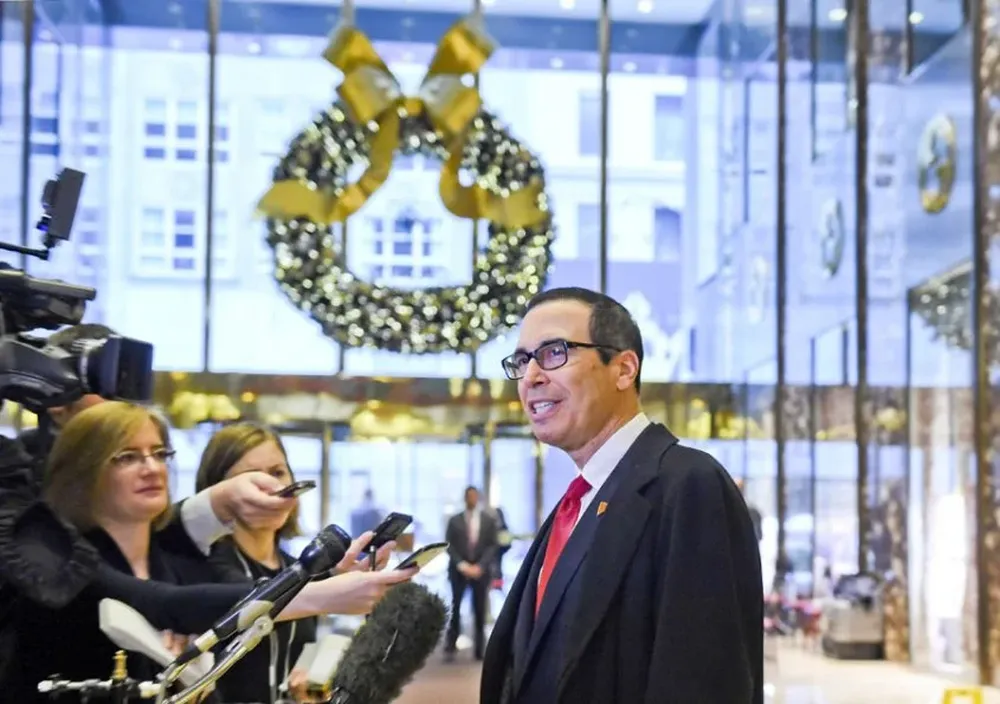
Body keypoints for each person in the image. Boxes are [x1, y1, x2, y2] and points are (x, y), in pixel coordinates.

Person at [5, 402, 416, 702]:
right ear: (83, 471)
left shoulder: (169, 553)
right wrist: (321, 594)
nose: (151, 467)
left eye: (159, 453)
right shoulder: (61, 556)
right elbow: (166, 605)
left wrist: (333, 579)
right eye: (127, 457)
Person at [481, 287, 763, 704]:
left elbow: (704, 680)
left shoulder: (688, 486)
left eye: (554, 352)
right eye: (522, 360)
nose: (531, 377)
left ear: (624, 369)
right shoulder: (579, 502)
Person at [195, 422, 397, 704]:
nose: (272, 488)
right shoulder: (201, 565)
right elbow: (249, 605)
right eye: (251, 477)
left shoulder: (297, 568)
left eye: (278, 473)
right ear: (218, 491)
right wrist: (331, 589)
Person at [444, 485, 498, 661]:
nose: (472, 499)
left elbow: (492, 545)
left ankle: (480, 650)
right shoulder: (454, 520)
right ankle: (451, 646)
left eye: (475, 496)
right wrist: (462, 565)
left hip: (481, 572)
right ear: (465, 498)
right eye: (469, 496)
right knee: (456, 608)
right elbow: (449, 545)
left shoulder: (488, 520)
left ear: (478, 498)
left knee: (480, 610)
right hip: (458, 571)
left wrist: (480, 566)